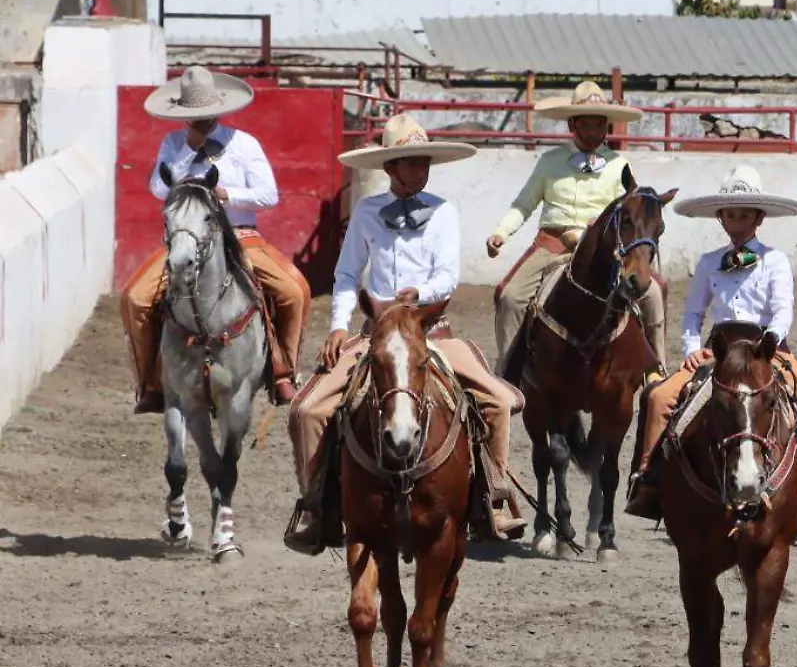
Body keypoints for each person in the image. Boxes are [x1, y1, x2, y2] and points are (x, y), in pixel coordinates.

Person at [285, 115, 527, 553]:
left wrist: (423, 294)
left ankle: (494, 497)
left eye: (424, 162)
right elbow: (344, 274)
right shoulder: (366, 211)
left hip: (430, 330)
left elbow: (448, 277)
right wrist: (339, 325)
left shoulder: (443, 211)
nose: (421, 169)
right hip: (375, 334)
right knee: (306, 410)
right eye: (411, 163)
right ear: (391, 168)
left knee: (497, 400)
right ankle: (315, 505)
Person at [625, 167, 797, 522]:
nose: (736, 221)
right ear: (720, 218)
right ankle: (648, 482)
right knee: (659, 397)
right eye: (730, 214)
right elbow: (694, 313)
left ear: (758, 218)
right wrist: (692, 349)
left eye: (744, 214)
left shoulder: (775, 260)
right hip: (720, 351)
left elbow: (783, 310)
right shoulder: (709, 262)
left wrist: (770, 345)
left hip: (765, 349)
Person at [120, 66, 309, 410]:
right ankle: (151, 383)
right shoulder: (173, 144)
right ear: (183, 116)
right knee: (136, 298)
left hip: (240, 236)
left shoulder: (244, 143)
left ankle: (285, 373)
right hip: (187, 238)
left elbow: (269, 194)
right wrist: (185, 153)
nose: (201, 121)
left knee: (294, 291)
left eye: (205, 115)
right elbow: (158, 188)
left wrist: (226, 194)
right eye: (194, 116)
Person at [486, 82, 662, 362]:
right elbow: (524, 203)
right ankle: (508, 371)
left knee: (652, 293)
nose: (594, 132)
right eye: (587, 125)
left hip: (602, 251)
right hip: (552, 246)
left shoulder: (619, 166)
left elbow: (628, 213)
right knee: (510, 297)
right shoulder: (549, 161)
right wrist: (501, 232)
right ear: (572, 124)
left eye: (599, 125)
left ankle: (657, 369)